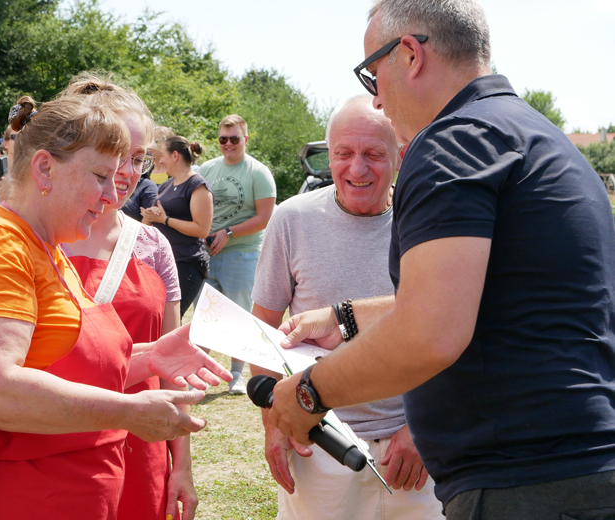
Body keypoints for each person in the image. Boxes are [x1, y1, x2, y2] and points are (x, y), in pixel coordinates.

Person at [267, 1, 615, 518]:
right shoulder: (539, 139)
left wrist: (308, 393)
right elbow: (481, 295)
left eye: (372, 76)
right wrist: (346, 317)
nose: (378, 100)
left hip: (521, 481)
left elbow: (430, 332)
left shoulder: (453, 143)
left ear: (408, 54)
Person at [0, 93, 230, 519]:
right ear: (45, 168)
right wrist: (129, 411)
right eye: (100, 176)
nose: (112, 196)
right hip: (25, 499)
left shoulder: (44, 246)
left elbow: (67, 364)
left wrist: (151, 357)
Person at [252, 96, 442, 520]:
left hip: (417, 454)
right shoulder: (291, 220)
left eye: (374, 154)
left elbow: (453, 330)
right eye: (344, 153)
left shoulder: (434, 224)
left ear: (400, 155)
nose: (357, 169)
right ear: (328, 153)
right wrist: (275, 424)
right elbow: (260, 329)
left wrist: (421, 431)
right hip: (320, 442)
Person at [59, 75, 198, 520]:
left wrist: (184, 467)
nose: (127, 170)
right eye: (116, 153)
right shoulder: (35, 242)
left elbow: (174, 367)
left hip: (142, 450)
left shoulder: (154, 246)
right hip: (51, 444)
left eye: (139, 157)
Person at [199, 114, 276, 394]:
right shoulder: (206, 169)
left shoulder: (258, 172)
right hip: (206, 254)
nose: (228, 144)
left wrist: (228, 233)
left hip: (242, 254)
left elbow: (265, 217)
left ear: (246, 139)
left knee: (241, 316)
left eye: (234, 138)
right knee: (203, 316)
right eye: (223, 139)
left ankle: (236, 376)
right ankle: (196, 372)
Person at [141, 136, 213, 318]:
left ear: (175, 155)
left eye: (163, 155)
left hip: (187, 264)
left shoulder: (197, 185)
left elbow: (202, 229)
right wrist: (150, 217)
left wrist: (166, 220)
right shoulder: (166, 184)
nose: (160, 161)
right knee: (156, 319)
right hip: (164, 262)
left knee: (169, 320)